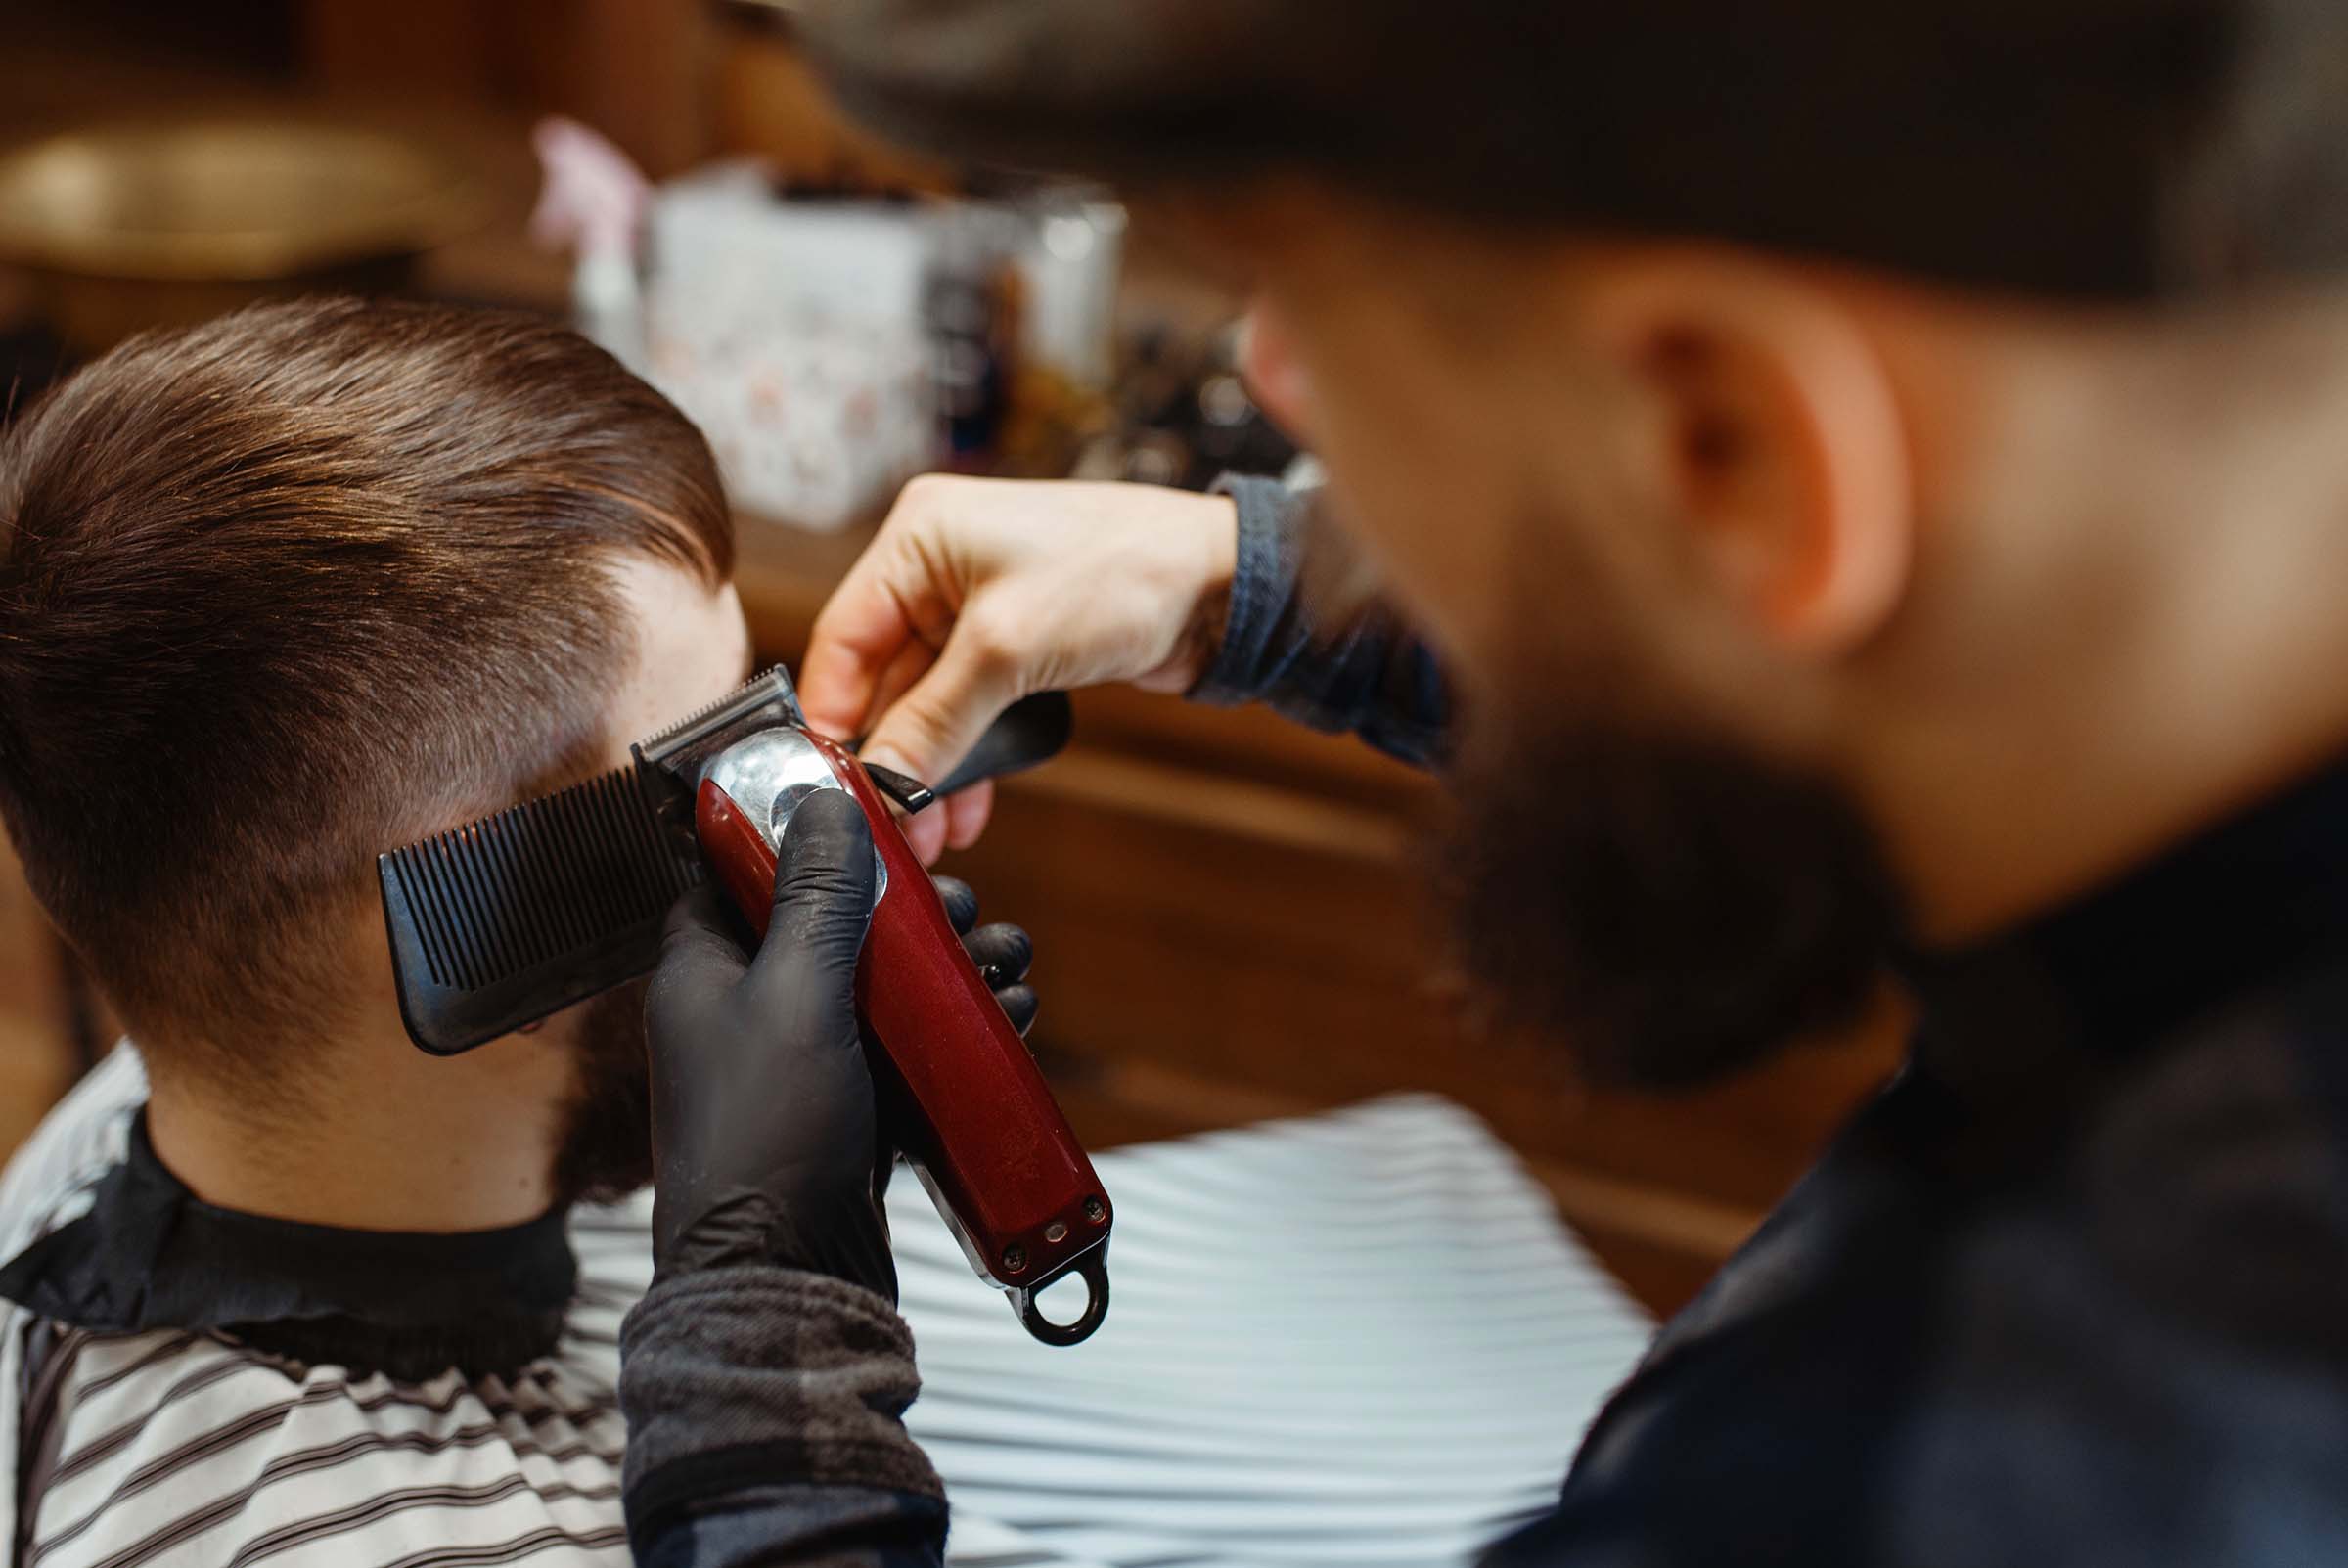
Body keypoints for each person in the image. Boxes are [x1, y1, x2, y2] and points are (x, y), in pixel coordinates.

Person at [615, 1, 2348, 1564]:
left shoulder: (1949, 1488)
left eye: (1304, 295)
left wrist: (765, 1354)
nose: (1272, 379)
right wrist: (1254, 584)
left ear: (1726, 452)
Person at [0, 297, 1034, 1566]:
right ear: (486, 928)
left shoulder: (171, 1093)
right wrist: (776, 1314)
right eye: (716, 785)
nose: (808, 810)